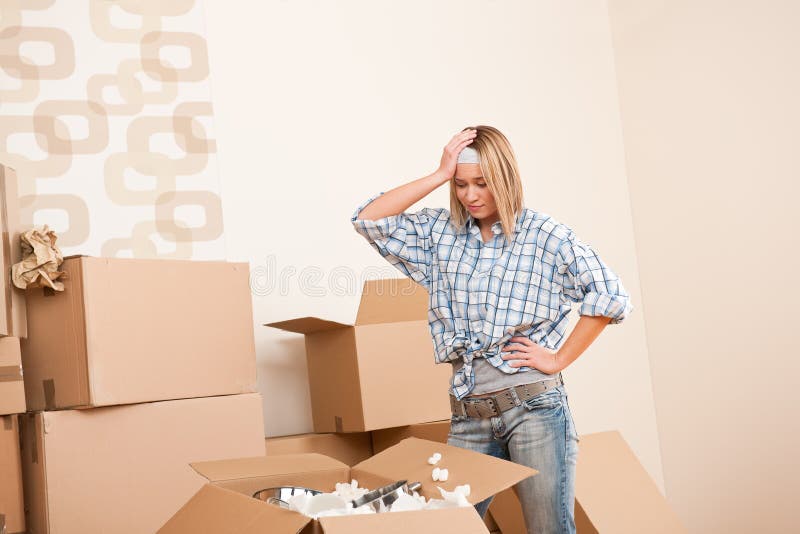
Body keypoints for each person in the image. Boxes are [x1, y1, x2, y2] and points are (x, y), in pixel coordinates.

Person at [351, 125, 632, 534]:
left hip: (533, 408)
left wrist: (558, 358)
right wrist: (438, 174)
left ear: (504, 177)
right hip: (469, 415)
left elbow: (610, 294)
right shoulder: (440, 234)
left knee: (548, 530)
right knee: (447, 527)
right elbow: (368, 219)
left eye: (482, 183)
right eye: (462, 184)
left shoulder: (544, 234)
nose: (470, 195)